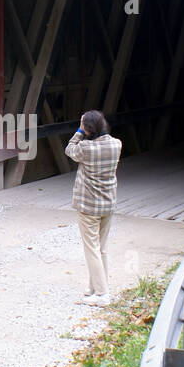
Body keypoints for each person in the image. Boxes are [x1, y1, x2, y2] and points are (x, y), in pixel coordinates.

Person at [64, 110, 122, 305]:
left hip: (88, 206)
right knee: (101, 248)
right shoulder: (116, 144)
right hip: (108, 204)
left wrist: (80, 130)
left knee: (91, 249)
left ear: (88, 129)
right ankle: (93, 289)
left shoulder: (85, 148)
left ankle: (103, 294)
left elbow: (69, 149)